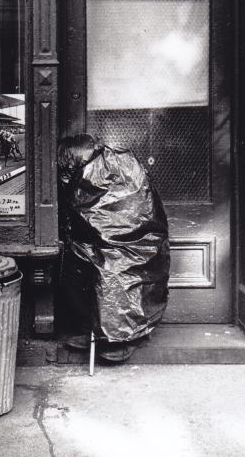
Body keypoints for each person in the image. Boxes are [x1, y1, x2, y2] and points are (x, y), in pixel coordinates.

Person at [57, 134, 170, 362]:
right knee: (74, 261)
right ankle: (95, 330)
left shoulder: (117, 165)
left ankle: (120, 337)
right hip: (102, 240)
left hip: (137, 242)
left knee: (112, 267)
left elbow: (132, 209)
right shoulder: (96, 167)